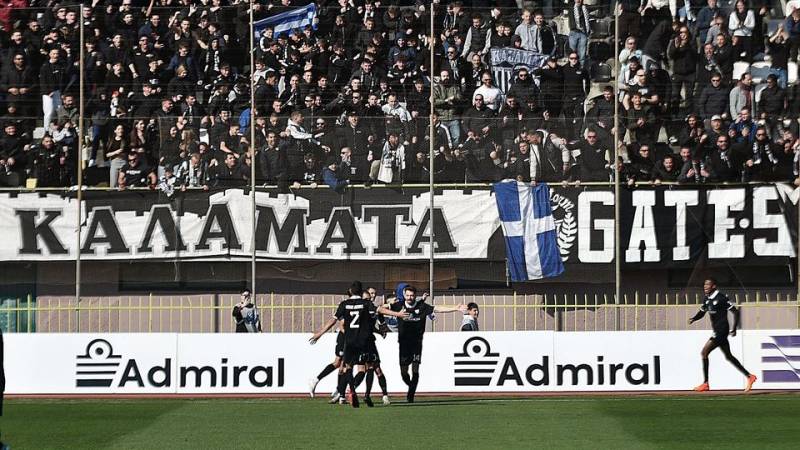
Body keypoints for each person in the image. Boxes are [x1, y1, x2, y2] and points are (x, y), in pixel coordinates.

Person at [309, 281, 407, 407]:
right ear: (361, 293)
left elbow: (333, 321)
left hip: (349, 341)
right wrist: (397, 314)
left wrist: (319, 333)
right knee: (369, 367)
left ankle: (351, 391)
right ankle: (362, 393)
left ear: (350, 291)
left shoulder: (344, 304)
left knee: (347, 367)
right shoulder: (366, 303)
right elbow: (381, 310)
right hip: (363, 341)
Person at [389, 285, 466, 403]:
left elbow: (438, 308)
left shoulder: (422, 306)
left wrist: (455, 308)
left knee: (415, 369)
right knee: (404, 372)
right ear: (404, 295)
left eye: (412, 295)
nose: (409, 297)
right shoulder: (398, 305)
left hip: (416, 344)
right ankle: (411, 386)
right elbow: (382, 309)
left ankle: (411, 394)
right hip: (404, 344)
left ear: (415, 296)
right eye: (407, 295)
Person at [688, 278, 757, 392]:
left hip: (721, 331)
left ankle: (706, 383)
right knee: (729, 356)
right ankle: (750, 376)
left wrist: (734, 328)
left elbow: (735, 311)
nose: (705, 286)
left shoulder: (721, 298)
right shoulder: (707, 299)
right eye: (704, 284)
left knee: (704, 352)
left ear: (714, 286)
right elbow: (702, 312)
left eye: (708, 284)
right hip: (717, 331)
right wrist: (694, 319)